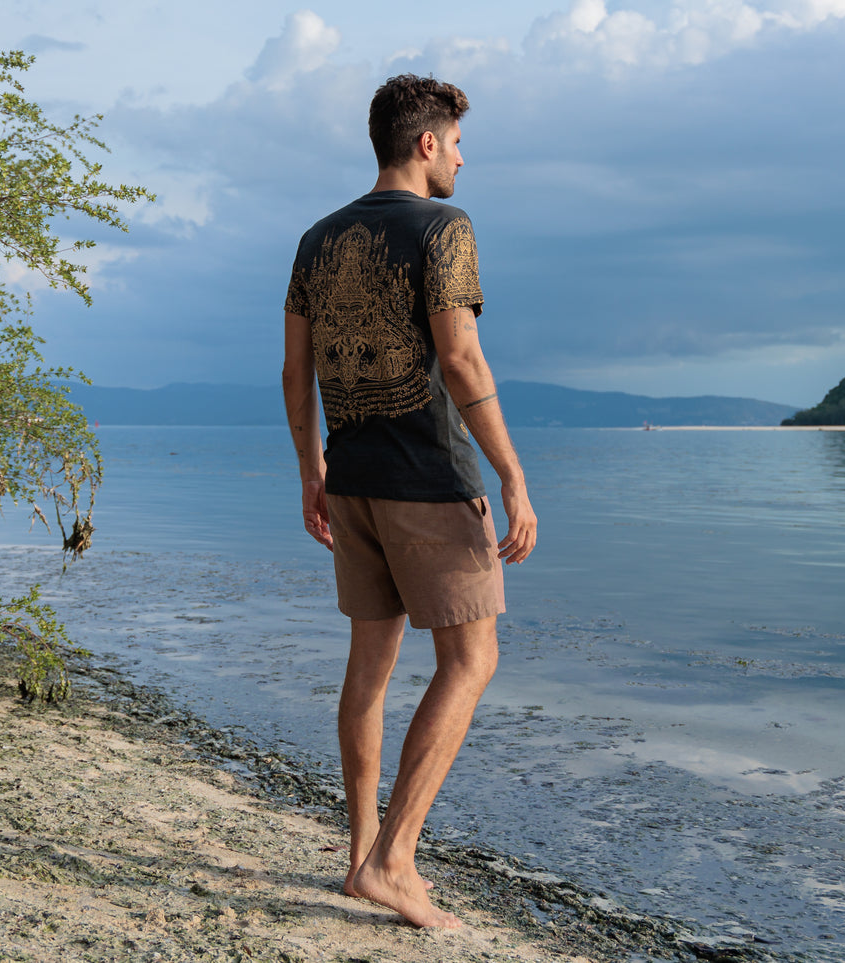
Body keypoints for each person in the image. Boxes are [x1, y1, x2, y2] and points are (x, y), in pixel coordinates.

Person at [281, 74, 537, 929]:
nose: (463, 157)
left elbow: (293, 369)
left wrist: (312, 471)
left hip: (349, 479)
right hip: (426, 479)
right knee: (470, 662)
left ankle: (359, 857)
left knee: (369, 669)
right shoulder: (444, 227)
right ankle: (393, 860)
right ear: (425, 142)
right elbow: (459, 359)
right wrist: (510, 474)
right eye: (458, 142)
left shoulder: (316, 238)